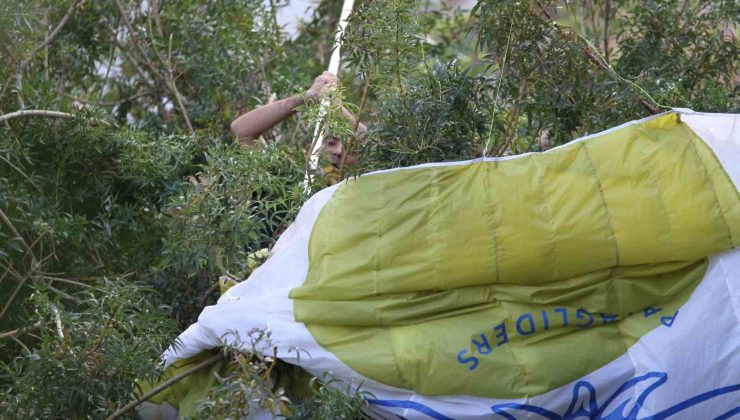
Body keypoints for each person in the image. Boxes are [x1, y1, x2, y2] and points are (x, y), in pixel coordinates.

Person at [230, 71, 366, 182]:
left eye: (350, 148)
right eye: (331, 143)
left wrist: (338, 108)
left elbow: (371, 144)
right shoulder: (286, 181)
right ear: (309, 151)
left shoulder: (363, 184)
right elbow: (241, 130)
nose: (339, 151)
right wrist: (307, 97)